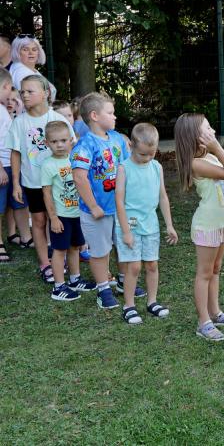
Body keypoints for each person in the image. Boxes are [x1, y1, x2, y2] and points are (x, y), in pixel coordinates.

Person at [70, 91, 144, 309]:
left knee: (123, 246)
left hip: (119, 208)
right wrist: (93, 206)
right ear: (94, 116)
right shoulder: (85, 145)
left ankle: (122, 281)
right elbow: (79, 177)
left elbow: (127, 168)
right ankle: (103, 289)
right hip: (97, 211)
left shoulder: (117, 139)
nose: (115, 117)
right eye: (110, 113)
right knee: (100, 251)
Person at [175, 113, 224, 341]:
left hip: (222, 223)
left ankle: (215, 312)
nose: (213, 131)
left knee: (216, 269)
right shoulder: (196, 163)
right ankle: (203, 322)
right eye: (208, 128)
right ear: (195, 136)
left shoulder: (211, 157)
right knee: (204, 273)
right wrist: (217, 147)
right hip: (207, 226)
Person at [8, 75, 74, 283]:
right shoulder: (19, 122)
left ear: (45, 93)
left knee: (60, 218)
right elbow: (16, 153)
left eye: (30, 91)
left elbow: (72, 146)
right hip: (33, 182)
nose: (24, 95)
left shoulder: (58, 119)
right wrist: (16, 183)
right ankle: (45, 263)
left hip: (59, 182)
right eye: (22, 91)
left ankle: (60, 256)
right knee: (38, 220)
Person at [114, 123, 178, 324]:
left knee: (151, 264)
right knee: (133, 267)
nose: (148, 158)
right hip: (130, 224)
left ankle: (152, 302)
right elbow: (119, 201)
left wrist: (169, 225)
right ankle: (129, 306)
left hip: (150, 224)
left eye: (152, 153)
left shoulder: (156, 167)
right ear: (132, 146)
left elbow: (163, 197)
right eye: (143, 154)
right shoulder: (124, 168)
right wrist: (126, 231)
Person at [40, 120, 96, 301]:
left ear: (71, 140)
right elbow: (47, 194)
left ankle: (75, 279)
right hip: (61, 216)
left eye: (63, 140)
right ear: (47, 143)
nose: (59, 145)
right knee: (59, 250)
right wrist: (53, 218)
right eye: (54, 141)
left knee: (75, 247)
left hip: (78, 213)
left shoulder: (76, 159)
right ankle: (58, 287)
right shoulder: (48, 165)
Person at [1, 83, 32, 251]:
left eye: (14, 99)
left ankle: (18, 235)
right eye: (8, 98)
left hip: (15, 164)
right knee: (3, 203)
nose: (10, 102)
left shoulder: (16, 118)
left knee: (18, 201)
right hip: (3, 165)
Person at [8, 35, 57, 102]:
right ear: (17, 52)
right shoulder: (21, 71)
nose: (31, 53)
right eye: (25, 50)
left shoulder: (30, 70)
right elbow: (31, 101)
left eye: (34, 49)